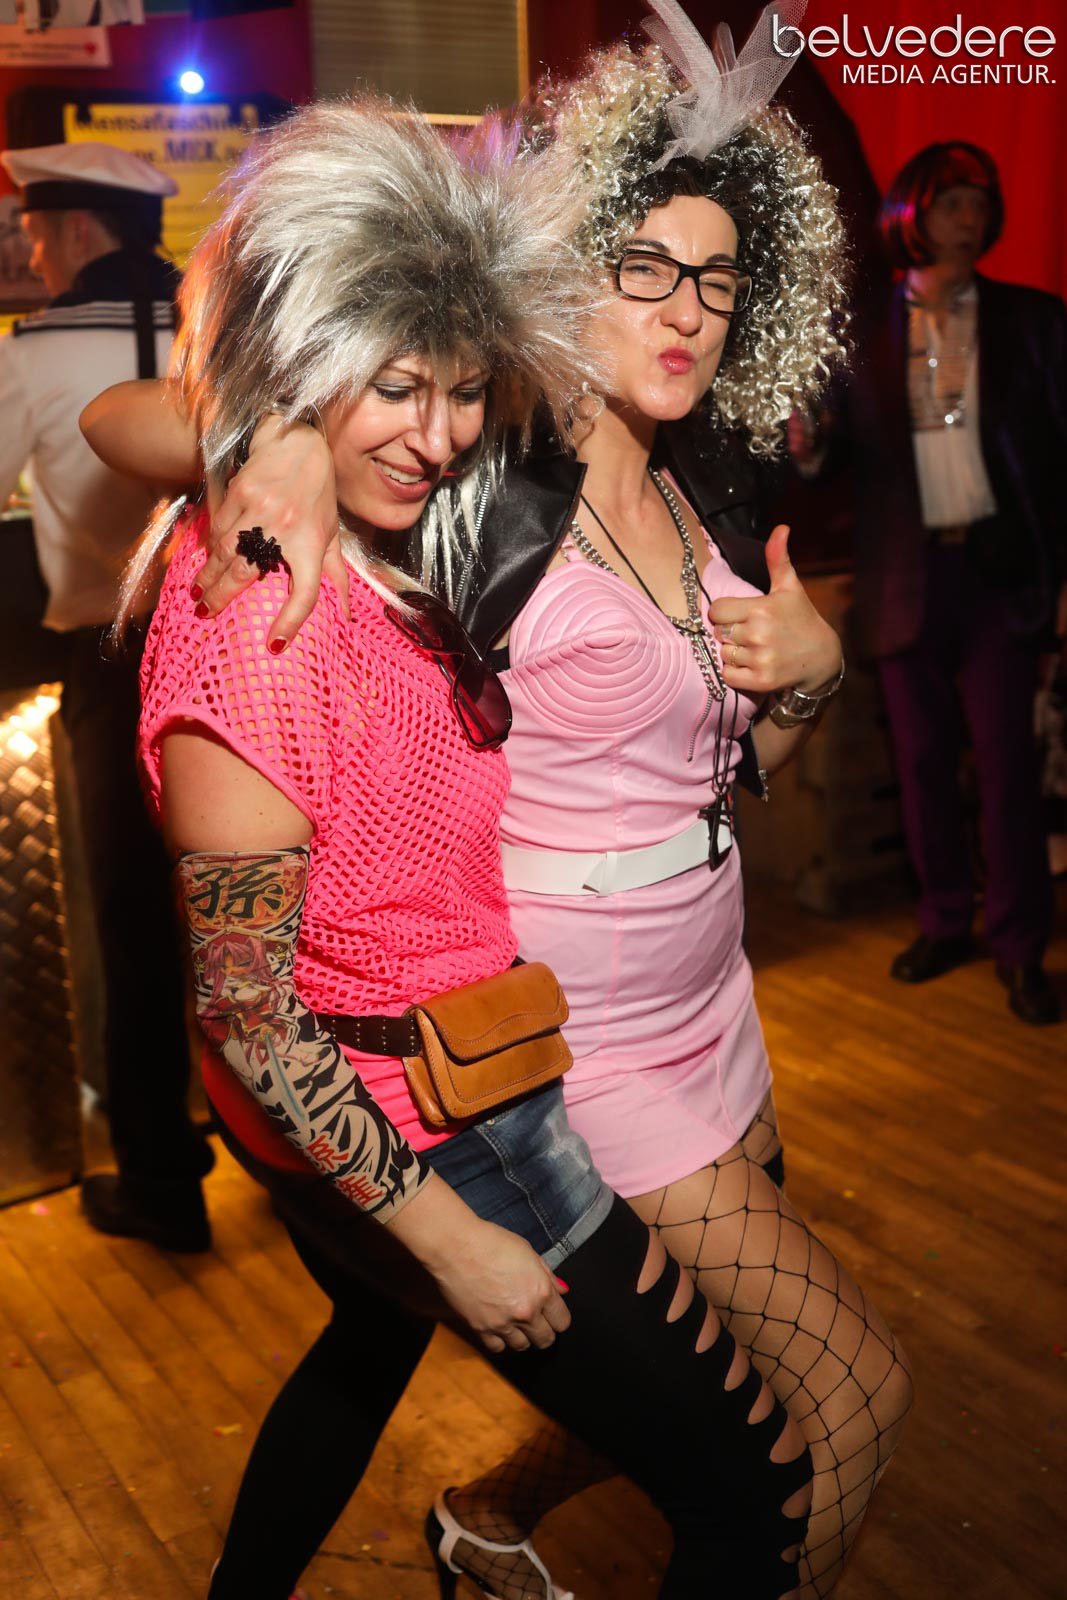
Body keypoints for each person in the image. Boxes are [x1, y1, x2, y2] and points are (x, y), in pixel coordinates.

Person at [86, 10, 912, 1600]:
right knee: (803, 1420)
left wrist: (806, 677)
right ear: (566, 274)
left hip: (682, 994)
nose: (685, 311)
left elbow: (720, 765)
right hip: (534, 1040)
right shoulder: (463, 489)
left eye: (719, 281)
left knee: (427, 1349)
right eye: (646, 267)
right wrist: (267, 434)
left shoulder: (696, 482)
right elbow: (118, 422)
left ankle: (470, 1523)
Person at [792, 140, 1065, 1027]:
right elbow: (828, 460)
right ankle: (944, 920)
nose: (969, 219)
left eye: (979, 204)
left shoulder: (1033, 321)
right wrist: (806, 442)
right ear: (912, 213)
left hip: (998, 577)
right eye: (952, 203)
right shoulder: (861, 331)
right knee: (919, 766)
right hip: (904, 579)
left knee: (1007, 769)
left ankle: (1020, 947)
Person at [0, 140, 215, 1249]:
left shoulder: (33, 352)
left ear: (75, 230)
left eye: (34, 233)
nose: (30, 252)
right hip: (233, 644)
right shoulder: (212, 335)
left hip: (111, 661)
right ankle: (304, 1161)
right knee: (252, 906)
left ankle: (163, 1180)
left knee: (134, 924)